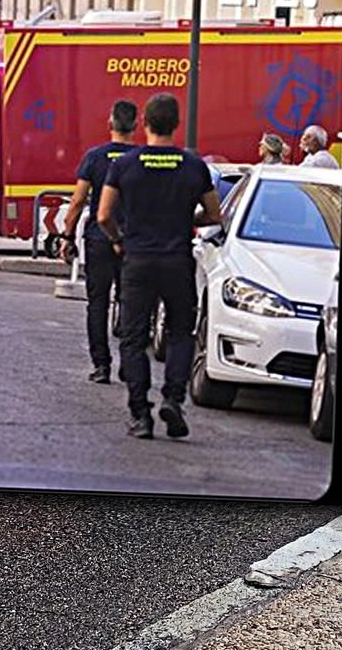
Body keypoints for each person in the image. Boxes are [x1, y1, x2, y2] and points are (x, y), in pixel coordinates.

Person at [99, 93, 224, 440]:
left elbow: (104, 214)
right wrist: (190, 219)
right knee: (181, 333)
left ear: (146, 124)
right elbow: (215, 214)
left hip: (137, 260)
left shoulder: (125, 165)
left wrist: (119, 238)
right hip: (176, 261)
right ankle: (173, 398)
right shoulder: (193, 166)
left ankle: (140, 413)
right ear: (176, 124)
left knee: (133, 337)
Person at [61, 99, 139, 384]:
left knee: (97, 303)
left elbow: (78, 201)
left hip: (98, 238)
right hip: (132, 242)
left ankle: (101, 365)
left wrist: (67, 237)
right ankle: (129, 365)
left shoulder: (94, 157)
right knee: (131, 304)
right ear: (136, 125)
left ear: (110, 124)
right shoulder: (141, 158)